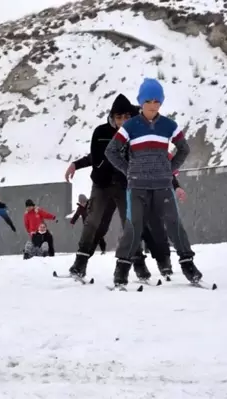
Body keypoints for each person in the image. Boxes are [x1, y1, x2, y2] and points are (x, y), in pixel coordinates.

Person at [105, 78, 202, 287]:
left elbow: (183, 148)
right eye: (148, 100)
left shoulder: (169, 126)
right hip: (137, 186)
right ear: (141, 101)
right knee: (134, 226)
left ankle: (188, 265)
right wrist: (128, 170)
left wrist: (169, 169)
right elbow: (111, 151)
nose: (152, 105)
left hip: (163, 186)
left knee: (174, 224)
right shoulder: (130, 126)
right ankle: (121, 270)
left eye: (157, 101)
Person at [65, 94, 153, 280]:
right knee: (92, 222)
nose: (122, 121)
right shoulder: (101, 132)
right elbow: (95, 158)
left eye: (126, 117)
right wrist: (76, 164)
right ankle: (80, 263)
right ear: (112, 118)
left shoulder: (137, 134)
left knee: (129, 224)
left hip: (125, 186)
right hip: (102, 185)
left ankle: (139, 265)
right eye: (118, 117)